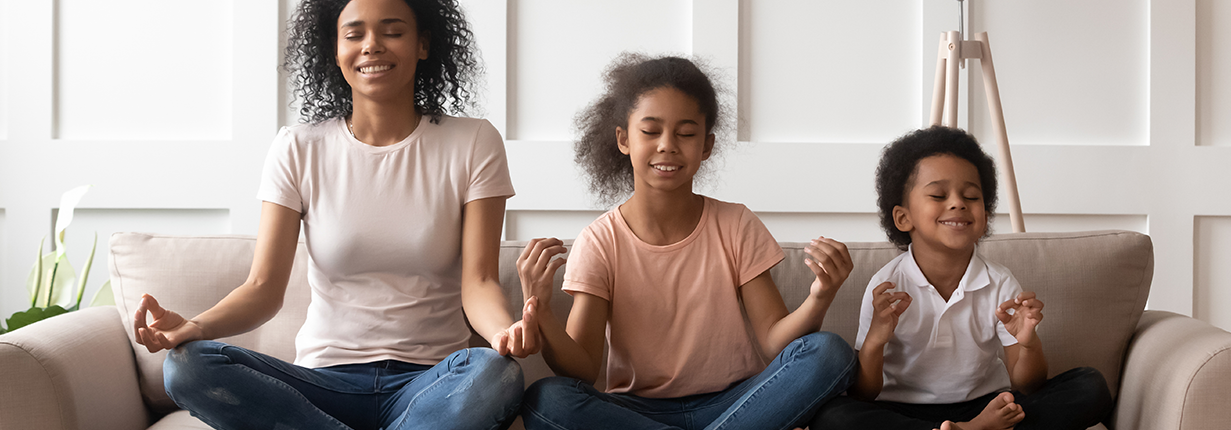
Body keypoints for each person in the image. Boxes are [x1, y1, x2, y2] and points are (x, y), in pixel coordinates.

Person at [130, 1, 534, 428]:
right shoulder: (298, 148)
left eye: (392, 32)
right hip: (322, 385)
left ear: (423, 43)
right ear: (334, 50)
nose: (372, 46)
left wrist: (501, 334)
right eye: (354, 34)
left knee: (496, 372)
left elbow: (481, 281)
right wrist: (194, 326)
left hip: (430, 383)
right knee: (186, 367)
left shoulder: (473, 142)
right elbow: (263, 287)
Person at [516, 54, 856, 430]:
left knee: (829, 353)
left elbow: (776, 344)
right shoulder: (600, 240)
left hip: (738, 403)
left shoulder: (736, 223)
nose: (667, 145)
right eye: (650, 131)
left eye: (686, 133)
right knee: (546, 399)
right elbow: (582, 366)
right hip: (635, 412)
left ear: (706, 145)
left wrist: (821, 295)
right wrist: (541, 311)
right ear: (623, 139)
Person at [810, 126, 1112, 430]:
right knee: (832, 416)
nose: (958, 203)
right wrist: (875, 339)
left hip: (985, 405)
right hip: (901, 410)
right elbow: (864, 393)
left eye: (971, 195)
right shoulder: (886, 283)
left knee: (1090, 386)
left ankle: (970, 427)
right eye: (939, 195)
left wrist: (1028, 342)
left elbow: (1028, 385)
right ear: (903, 218)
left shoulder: (1000, 282)